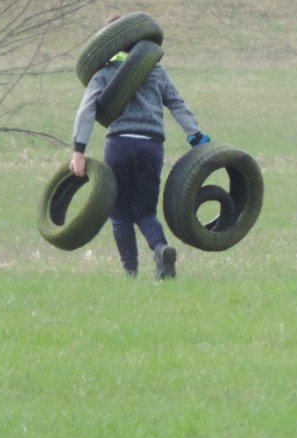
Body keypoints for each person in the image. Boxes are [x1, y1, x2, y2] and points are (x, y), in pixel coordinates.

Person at [70, 16, 210, 280]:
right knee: (144, 210)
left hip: (119, 144)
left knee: (120, 210)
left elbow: (86, 111)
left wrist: (78, 151)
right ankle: (161, 249)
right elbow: (177, 104)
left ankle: (130, 273)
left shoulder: (104, 72)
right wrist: (196, 134)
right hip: (151, 146)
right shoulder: (156, 70)